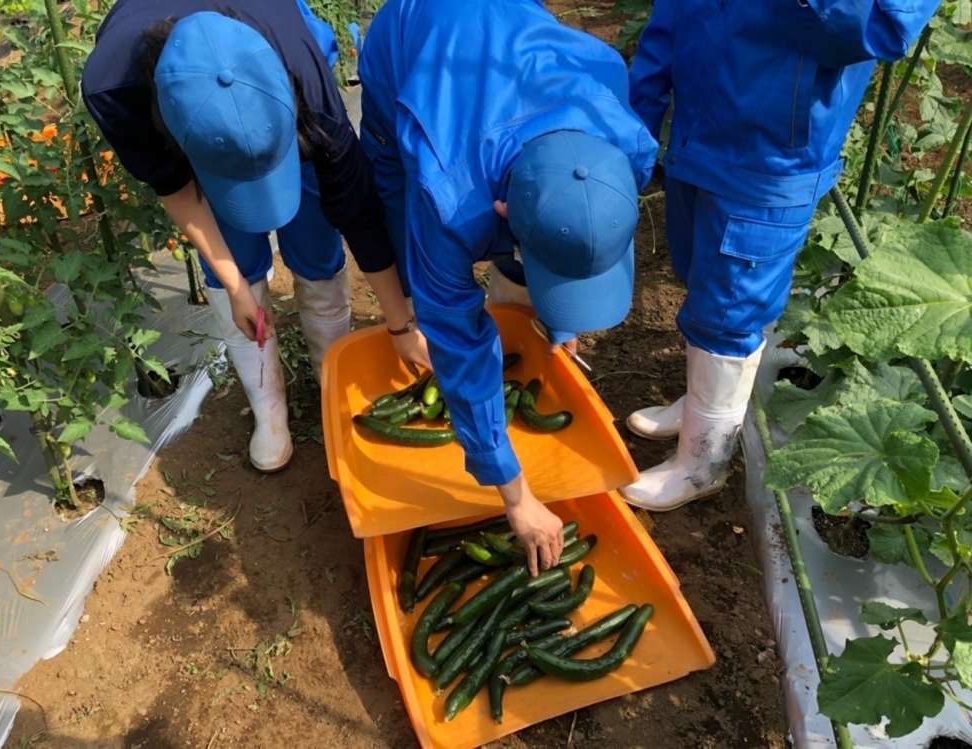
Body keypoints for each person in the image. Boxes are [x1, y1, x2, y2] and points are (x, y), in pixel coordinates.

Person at [358, 0, 658, 574]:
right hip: (410, 39)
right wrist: (514, 493)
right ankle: (413, 284)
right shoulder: (446, 192)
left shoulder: (627, 140)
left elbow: (581, 222)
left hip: (506, 28)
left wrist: (562, 315)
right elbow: (461, 344)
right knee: (398, 201)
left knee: (544, 234)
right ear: (500, 208)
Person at [82, 1, 429, 474]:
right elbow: (175, 188)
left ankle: (332, 374)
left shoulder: (300, 66)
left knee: (315, 239)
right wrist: (237, 287)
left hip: (278, 70)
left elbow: (356, 207)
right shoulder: (113, 86)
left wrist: (400, 324)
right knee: (234, 261)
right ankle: (269, 410)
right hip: (190, 117)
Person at [622, 0, 941, 511]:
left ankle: (704, 463)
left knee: (730, 305)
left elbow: (877, 29)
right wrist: (640, 118)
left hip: (773, 154)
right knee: (700, 276)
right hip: (699, 132)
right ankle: (704, 409)